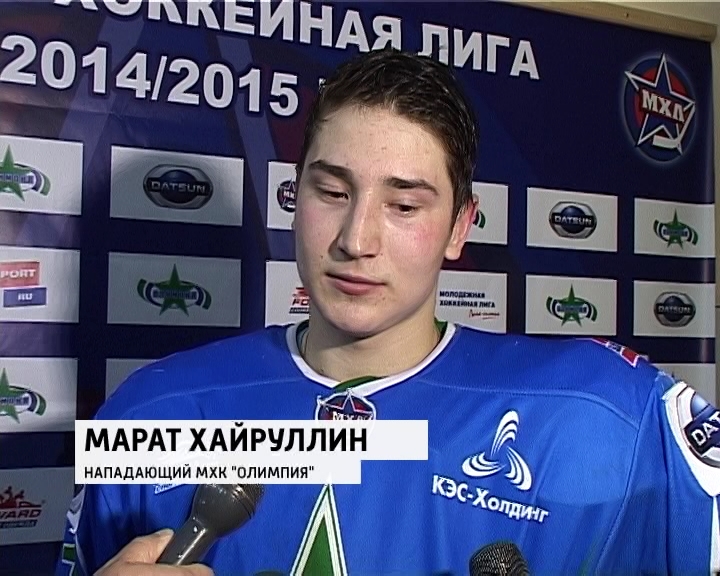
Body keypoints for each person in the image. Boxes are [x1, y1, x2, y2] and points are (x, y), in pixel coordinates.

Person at [56, 47, 720, 575]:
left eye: (404, 205)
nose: (356, 239)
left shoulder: (602, 415)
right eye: (331, 191)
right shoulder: (153, 410)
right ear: (294, 196)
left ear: (460, 227)